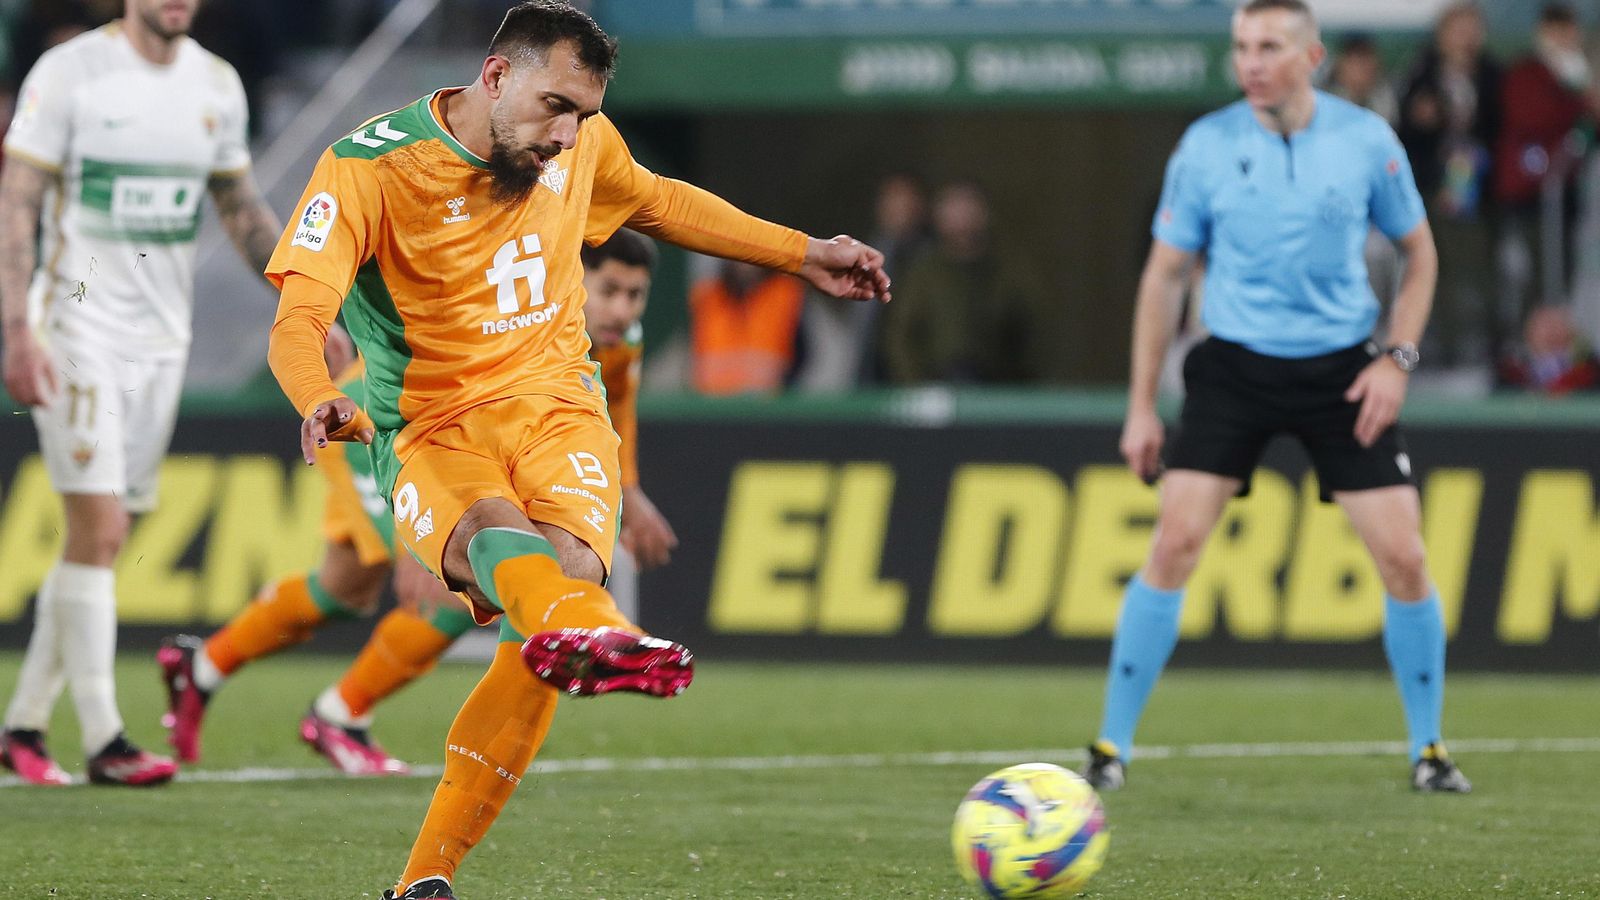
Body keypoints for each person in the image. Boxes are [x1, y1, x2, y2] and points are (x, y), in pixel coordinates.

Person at [262, 4, 888, 898]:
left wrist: (803, 253)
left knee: (550, 593)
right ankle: (606, 635)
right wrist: (317, 395)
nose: (567, 135)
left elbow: (661, 202)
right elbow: (298, 319)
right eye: (555, 106)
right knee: (502, 548)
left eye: (584, 114)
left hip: (559, 408)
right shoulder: (369, 168)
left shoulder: (581, 142)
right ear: (494, 77)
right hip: (435, 427)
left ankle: (424, 881)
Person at [1082, 0, 1470, 796]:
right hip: (1233, 368)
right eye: (1241, 47)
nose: (1250, 63)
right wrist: (1141, 406)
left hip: (1342, 372)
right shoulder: (1206, 146)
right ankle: (1108, 748)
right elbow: (1163, 277)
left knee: (1404, 556)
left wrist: (1397, 361)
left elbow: (1420, 255)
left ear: (1311, 56)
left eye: (1268, 46)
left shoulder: (1366, 141)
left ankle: (1430, 751)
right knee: (1174, 543)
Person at [157, 230, 678, 776]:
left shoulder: (622, 341)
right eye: (609, 290)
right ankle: (341, 714)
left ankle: (202, 667)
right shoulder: (517, 308)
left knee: (342, 589)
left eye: (635, 295)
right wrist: (420, 536)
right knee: (455, 590)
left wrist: (630, 490)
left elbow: (613, 411)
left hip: (437, 442)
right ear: (572, 277)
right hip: (379, 425)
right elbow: (436, 405)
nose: (622, 309)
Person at [0, 0, 283, 786]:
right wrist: (17, 329)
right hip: (75, 324)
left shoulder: (216, 84)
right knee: (99, 524)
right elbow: (17, 200)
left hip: (161, 341)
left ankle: (22, 726)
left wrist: (303, 304)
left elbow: (241, 207)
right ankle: (105, 740)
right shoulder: (72, 73)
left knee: (103, 536)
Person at [1398, 1, 1502, 367]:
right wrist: (1422, 118)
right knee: (1433, 264)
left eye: (1471, 28)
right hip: (1434, 182)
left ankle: (1486, 343)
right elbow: (1405, 124)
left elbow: (1500, 123)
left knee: (1478, 263)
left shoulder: (1490, 73)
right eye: (1458, 29)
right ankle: (1442, 343)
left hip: (1479, 186)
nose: (1465, 36)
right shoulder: (1422, 71)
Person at [1494, 3, 1600, 340]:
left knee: (1561, 272)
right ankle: (1526, 346)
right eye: (1557, 31)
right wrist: (1580, 101)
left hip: (1565, 190)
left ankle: (1556, 343)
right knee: (1535, 273)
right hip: (1529, 193)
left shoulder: (1578, 73)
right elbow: (1534, 117)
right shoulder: (1527, 73)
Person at [881, 179, 1040, 384]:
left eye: (968, 206)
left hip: (996, 384)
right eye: (952, 208)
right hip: (937, 382)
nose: (961, 217)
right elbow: (902, 334)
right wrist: (915, 384)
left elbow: (1031, 331)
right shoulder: (924, 272)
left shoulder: (1008, 271)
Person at [689, 259, 806, 395]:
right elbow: (692, 354)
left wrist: (784, 384)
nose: (745, 263)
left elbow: (802, 352)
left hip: (766, 400)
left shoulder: (786, 293)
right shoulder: (707, 296)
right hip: (714, 399)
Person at [1496, 303, 1600, 394]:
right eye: (1544, 325)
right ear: (1529, 333)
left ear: (1571, 332)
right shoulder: (1511, 373)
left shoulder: (1590, 371)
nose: (1551, 331)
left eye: (1557, 324)